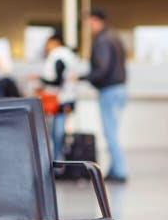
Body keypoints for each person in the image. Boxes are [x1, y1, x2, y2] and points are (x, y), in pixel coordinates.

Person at [85, 10, 128, 182]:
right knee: (113, 131)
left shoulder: (102, 40)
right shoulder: (115, 37)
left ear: (96, 21)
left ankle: (120, 171)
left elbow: (102, 69)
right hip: (120, 89)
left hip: (109, 90)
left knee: (110, 132)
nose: (88, 26)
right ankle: (115, 168)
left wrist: (84, 77)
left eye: (89, 22)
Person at [38, 32, 79, 160]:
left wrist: (41, 80)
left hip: (60, 100)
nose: (47, 47)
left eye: (48, 43)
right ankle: (59, 160)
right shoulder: (69, 55)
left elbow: (57, 81)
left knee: (57, 133)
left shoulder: (58, 55)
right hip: (69, 97)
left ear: (56, 42)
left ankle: (57, 161)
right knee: (60, 132)